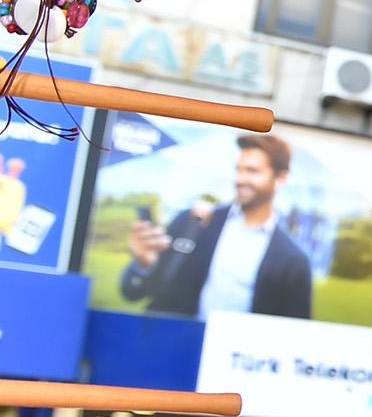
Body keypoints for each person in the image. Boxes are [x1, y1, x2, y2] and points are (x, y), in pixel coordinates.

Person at [121, 132, 313, 319]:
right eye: (238, 169)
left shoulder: (294, 260)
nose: (240, 179)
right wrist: (144, 263)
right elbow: (134, 293)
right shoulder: (194, 224)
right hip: (177, 345)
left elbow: (294, 331)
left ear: (281, 179)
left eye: (252, 171)